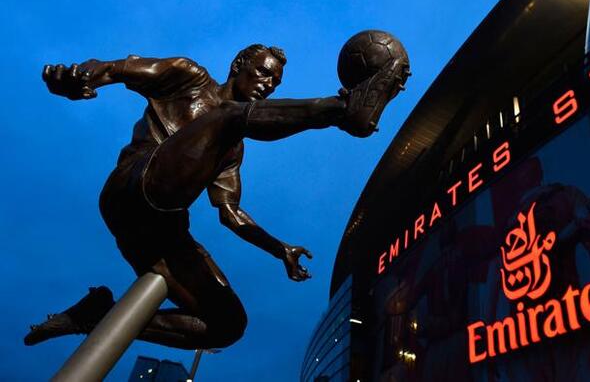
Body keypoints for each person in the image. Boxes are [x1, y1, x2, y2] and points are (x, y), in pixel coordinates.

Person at [25, 43, 410, 349]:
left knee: (226, 324)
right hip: (134, 186)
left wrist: (280, 249)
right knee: (228, 115)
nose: (267, 85)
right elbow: (112, 67)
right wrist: (77, 77)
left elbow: (230, 213)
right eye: (262, 72)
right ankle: (345, 109)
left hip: (158, 232)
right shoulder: (188, 77)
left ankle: (95, 318)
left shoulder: (231, 146)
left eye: (275, 83)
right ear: (239, 63)